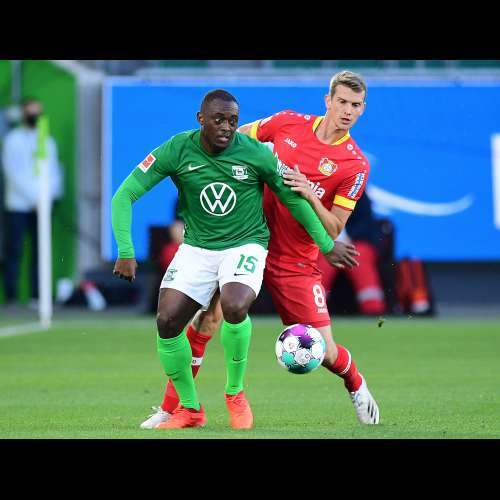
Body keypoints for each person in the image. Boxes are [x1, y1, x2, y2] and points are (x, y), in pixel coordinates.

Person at [142, 71, 381, 429]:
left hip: (295, 258)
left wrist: (309, 192)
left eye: (356, 105)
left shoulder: (354, 164)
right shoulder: (287, 123)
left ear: (363, 109)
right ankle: (173, 407)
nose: (348, 110)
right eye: (342, 101)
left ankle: (356, 384)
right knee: (206, 320)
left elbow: (334, 227)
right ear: (328, 100)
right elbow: (232, 140)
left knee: (323, 349)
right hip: (243, 238)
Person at [1, 98, 62, 306]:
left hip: (43, 206)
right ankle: (11, 297)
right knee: (14, 250)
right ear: (23, 113)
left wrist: (46, 197)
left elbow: (54, 172)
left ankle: (38, 295)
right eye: (30, 112)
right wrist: (33, 197)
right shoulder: (13, 140)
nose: (34, 116)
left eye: (38, 112)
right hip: (18, 205)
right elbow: (12, 172)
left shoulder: (47, 141)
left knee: (41, 251)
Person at [317, 191, 387, 316]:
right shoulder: (315, 188)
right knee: (321, 261)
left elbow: (365, 220)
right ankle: (312, 309)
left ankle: (373, 311)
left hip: (354, 241)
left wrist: (348, 239)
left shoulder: (355, 188)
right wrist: (326, 241)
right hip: (322, 242)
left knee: (358, 257)